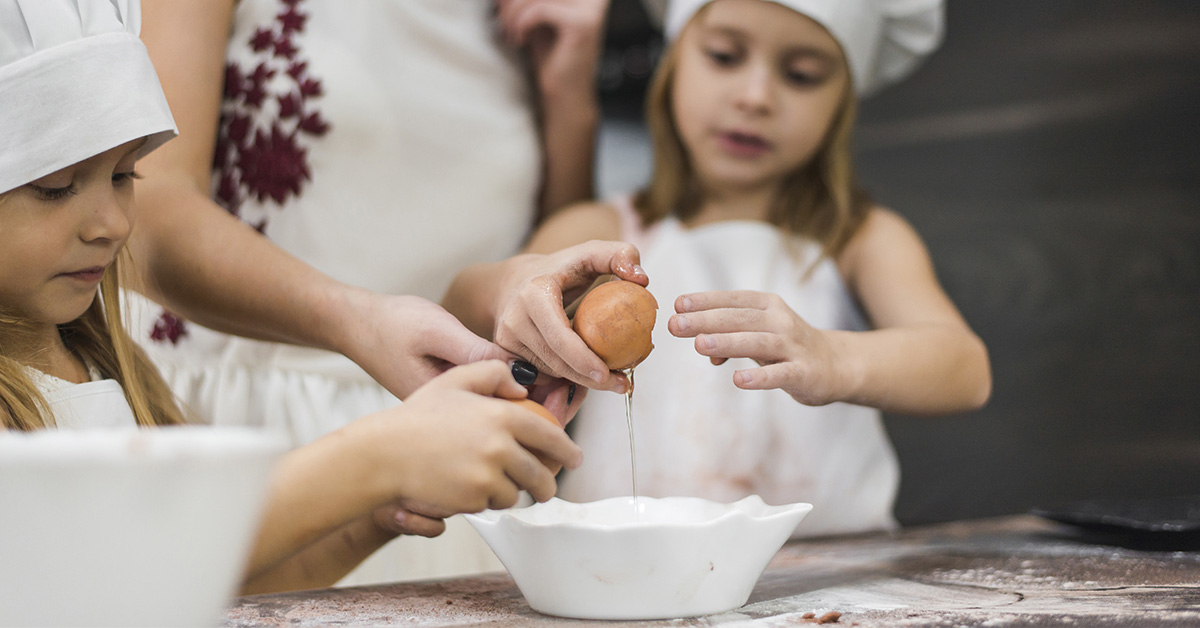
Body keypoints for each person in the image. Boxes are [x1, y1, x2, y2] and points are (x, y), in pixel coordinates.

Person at [0, 0, 582, 594]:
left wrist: (386, 507)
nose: (114, 224)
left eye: (124, 175)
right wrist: (381, 458)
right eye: (54, 188)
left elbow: (202, 580)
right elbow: (108, 574)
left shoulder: (100, 362)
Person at [448, 0, 992, 537]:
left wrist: (835, 358)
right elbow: (461, 309)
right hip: (631, 578)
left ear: (842, 102)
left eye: (801, 75)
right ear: (674, 62)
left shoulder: (859, 238)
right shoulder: (600, 231)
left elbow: (965, 369)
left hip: (832, 580)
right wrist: (509, 289)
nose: (755, 97)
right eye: (725, 57)